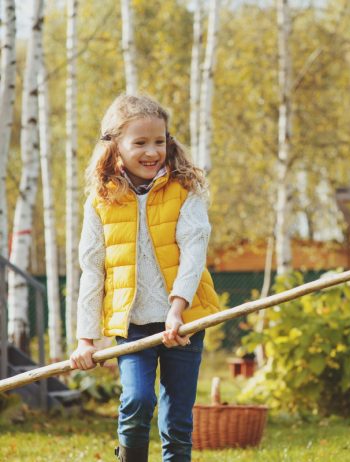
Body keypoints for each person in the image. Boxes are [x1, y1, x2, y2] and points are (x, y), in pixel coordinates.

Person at [69, 94, 219, 462]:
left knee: (177, 418)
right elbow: (93, 271)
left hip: (183, 320)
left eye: (159, 141)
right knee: (137, 400)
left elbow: (193, 253)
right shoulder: (101, 202)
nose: (152, 151)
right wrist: (86, 339)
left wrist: (177, 310)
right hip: (133, 324)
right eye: (140, 142)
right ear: (115, 146)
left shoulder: (185, 190)